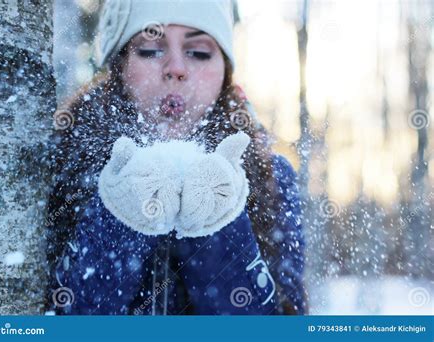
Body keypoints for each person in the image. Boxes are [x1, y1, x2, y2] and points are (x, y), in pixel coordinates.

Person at [46, 0, 307, 315]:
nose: (176, 69)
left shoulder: (270, 176)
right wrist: (118, 223)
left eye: (198, 52)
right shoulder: (65, 159)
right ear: (119, 67)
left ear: (224, 71)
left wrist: (218, 229)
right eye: (150, 50)